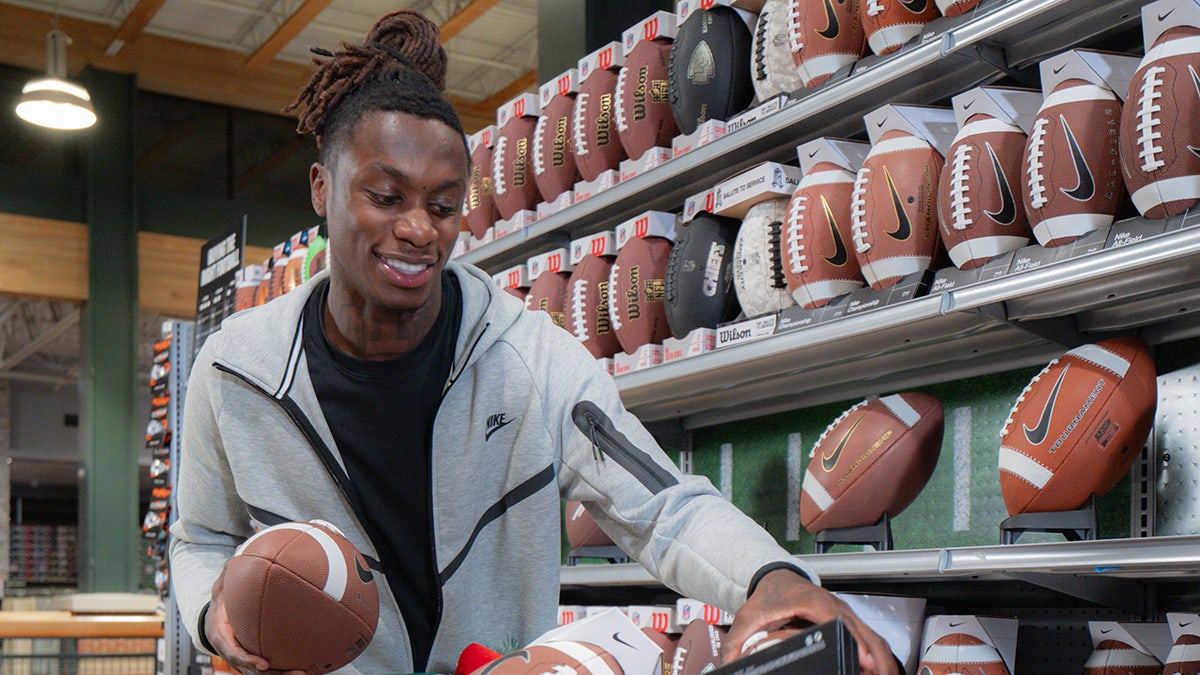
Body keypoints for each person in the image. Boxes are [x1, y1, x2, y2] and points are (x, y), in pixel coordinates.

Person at [169, 9, 898, 675]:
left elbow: (661, 503)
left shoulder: (530, 359)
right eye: (386, 196)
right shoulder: (236, 372)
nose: (419, 229)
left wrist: (773, 580)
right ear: (322, 187)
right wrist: (214, 613)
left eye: (444, 204)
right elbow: (199, 536)